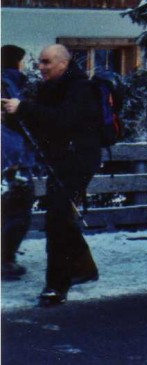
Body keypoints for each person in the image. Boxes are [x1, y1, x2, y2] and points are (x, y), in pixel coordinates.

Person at [0, 44, 101, 306]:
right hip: (61, 159)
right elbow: (40, 123)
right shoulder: (50, 88)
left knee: (57, 219)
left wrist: (22, 109)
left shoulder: (80, 88)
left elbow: (63, 120)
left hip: (78, 160)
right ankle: (83, 268)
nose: (40, 67)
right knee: (62, 216)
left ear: (63, 64)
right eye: (40, 62)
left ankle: (56, 286)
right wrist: (11, 116)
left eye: (46, 62)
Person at [2, 45, 37, 280]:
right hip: (13, 160)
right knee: (18, 210)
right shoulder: (9, 84)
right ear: (16, 62)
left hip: (11, 157)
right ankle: (5, 261)